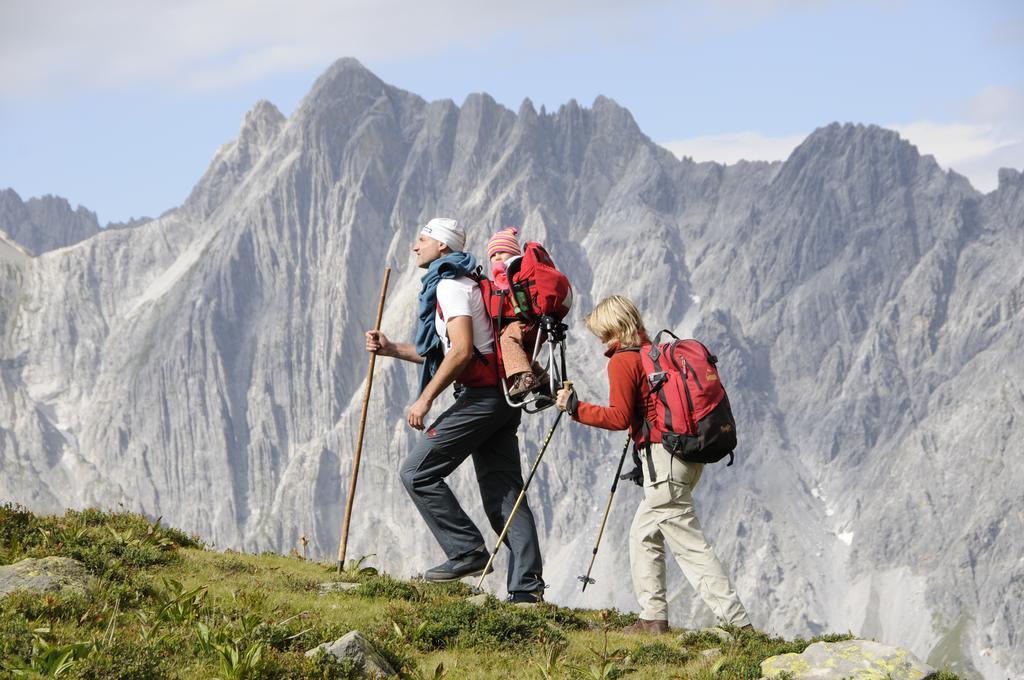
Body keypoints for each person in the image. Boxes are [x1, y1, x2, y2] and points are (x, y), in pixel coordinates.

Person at [365, 217, 545, 602]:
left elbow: (461, 351)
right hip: (501, 398)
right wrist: (392, 348)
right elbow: (449, 350)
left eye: (422, 239)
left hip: (481, 400)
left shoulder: (449, 286)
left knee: (416, 472)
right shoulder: (467, 283)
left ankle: (466, 551)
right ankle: (527, 591)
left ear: (443, 246)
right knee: (505, 493)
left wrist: (426, 398)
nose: (416, 247)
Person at [555, 295, 752, 633]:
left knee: (689, 545)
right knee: (642, 534)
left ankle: (738, 625)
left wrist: (575, 408)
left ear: (613, 329)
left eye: (601, 334)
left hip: (664, 461)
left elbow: (618, 417)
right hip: (686, 458)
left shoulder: (622, 361)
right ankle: (653, 620)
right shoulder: (653, 356)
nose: (600, 341)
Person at [486, 227, 544, 398]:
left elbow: (506, 290)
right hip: (533, 322)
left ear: (513, 252)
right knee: (520, 351)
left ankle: (525, 378)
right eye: (493, 255)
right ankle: (545, 382)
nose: (496, 257)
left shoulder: (511, 270)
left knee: (507, 339)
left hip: (523, 320)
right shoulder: (520, 268)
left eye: (502, 252)